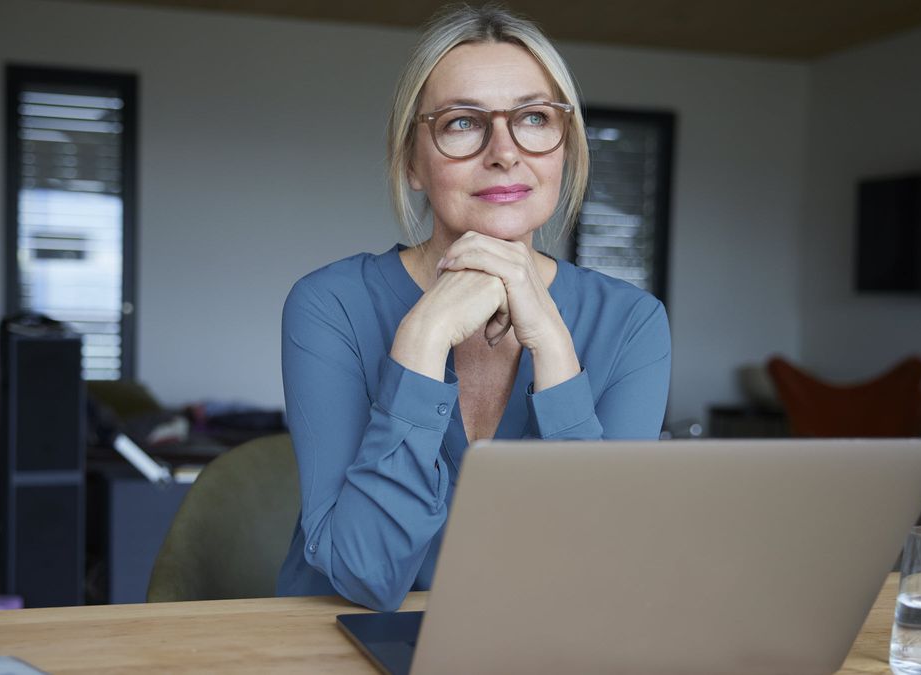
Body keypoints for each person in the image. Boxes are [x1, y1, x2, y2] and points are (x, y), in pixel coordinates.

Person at [275, 5, 671, 612]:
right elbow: (364, 574)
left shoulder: (633, 321)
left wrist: (556, 352)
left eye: (534, 117)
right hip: (335, 643)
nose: (505, 152)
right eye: (463, 123)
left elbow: (602, 572)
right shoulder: (329, 304)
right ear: (412, 161)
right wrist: (423, 337)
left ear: (564, 148)